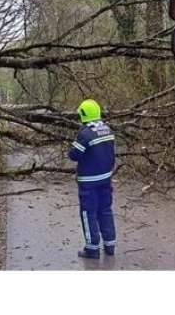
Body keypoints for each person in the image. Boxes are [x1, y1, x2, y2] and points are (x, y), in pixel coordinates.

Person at [67, 98, 117, 259]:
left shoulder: (85, 133)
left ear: (83, 114)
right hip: (106, 178)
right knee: (105, 210)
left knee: (88, 213)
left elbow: (74, 155)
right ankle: (110, 244)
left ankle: (92, 248)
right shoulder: (107, 129)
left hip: (89, 181)